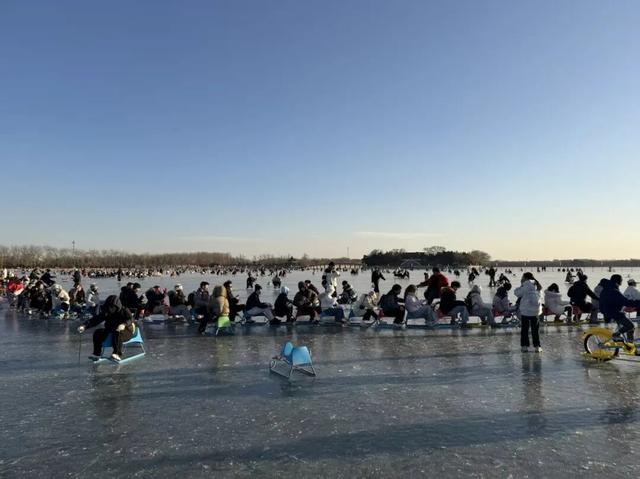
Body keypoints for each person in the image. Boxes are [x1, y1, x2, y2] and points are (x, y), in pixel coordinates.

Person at [77, 295, 135, 362]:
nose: (110, 308)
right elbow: (96, 319)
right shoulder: (107, 311)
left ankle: (117, 353)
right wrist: (84, 326)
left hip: (126, 331)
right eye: (109, 306)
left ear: (117, 306)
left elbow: (131, 319)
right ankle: (96, 353)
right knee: (98, 332)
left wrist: (124, 324)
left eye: (112, 306)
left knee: (118, 331)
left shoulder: (124, 310)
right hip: (111, 329)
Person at [600, 274, 640, 345]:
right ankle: (616, 335)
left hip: (610, 310)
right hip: (614, 312)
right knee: (630, 326)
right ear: (617, 281)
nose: (621, 282)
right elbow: (626, 302)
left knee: (628, 327)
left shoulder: (608, 288)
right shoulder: (613, 291)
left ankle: (630, 344)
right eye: (621, 280)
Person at [514, 272, 543, 353]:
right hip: (535, 311)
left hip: (526, 311)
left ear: (525, 278)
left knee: (525, 329)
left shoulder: (525, 285)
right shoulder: (538, 285)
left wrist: (521, 285)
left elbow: (517, 293)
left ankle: (524, 346)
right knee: (535, 329)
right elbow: (541, 296)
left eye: (522, 277)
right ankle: (537, 346)